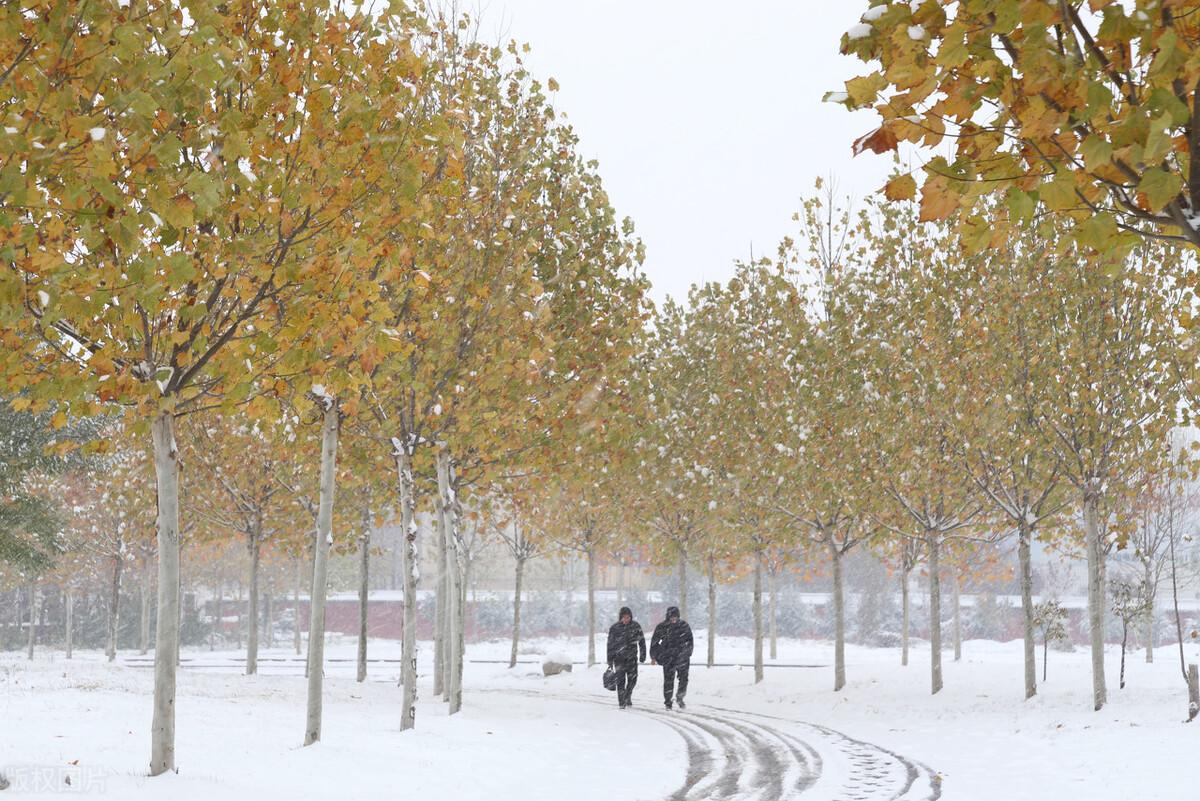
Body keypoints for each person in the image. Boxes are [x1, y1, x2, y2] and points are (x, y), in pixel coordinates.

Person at [650, 606, 693, 710]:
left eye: (675, 617)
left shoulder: (684, 626)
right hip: (668, 657)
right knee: (668, 680)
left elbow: (690, 641)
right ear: (668, 617)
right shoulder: (662, 627)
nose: (673, 620)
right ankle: (668, 701)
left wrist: (687, 653)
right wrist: (654, 656)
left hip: (682, 657)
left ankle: (680, 697)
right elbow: (654, 642)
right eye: (671, 618)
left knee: (684, 679)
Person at [606, 606, 646, 709]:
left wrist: (643, 655)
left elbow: (642, 642)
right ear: (620, 617)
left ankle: (627, 695)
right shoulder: (614, 628)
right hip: (618, 659)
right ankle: (622, 702)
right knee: (620, 681)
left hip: (632, 658)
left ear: (630, 617)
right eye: (624, 617)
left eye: (628, 617)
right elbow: (610, 645)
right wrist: (610, 659)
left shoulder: (636, 626)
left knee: (633, 680)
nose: (626, 619)